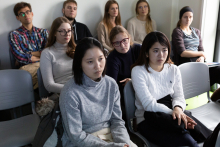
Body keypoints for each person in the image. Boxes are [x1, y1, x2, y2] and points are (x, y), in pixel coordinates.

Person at [131, 31, 212, 147]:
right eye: (155, 50)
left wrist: (178, 109)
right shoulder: (138, 71)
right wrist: (175, 113)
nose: (161, 55)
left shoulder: (173, 69)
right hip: (147, 118)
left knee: (203, 133)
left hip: (173, 112)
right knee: (188, 140)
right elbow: (148, 105)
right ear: (146, 53)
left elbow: (179, 96)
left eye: (164, 50)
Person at [59, 37, 137, 147]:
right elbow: (76, 136)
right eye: (90, 62)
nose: (98, 66)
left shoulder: (111, 84)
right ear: (79, 63)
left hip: (110, 133)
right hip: (84, 140)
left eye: (101, 59)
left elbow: (117, 121)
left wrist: (123, 143)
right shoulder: (70, 92)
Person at [172, 6, 220, 86]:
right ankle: (202, 85)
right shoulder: (177, 31)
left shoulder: (197, 31)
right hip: (186, 62)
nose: (188, 19)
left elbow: (201, 50)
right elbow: (182, 53)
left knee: (218, 70)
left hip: (198, 62)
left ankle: (206, 88)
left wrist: (201, 57)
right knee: (212, 74)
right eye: (185, 17)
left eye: (190, 17)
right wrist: (201, 54)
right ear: (181, 18)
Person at [8, 2, 49, 89]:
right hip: (28, 68)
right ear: (18, 17)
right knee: (48, 72)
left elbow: (50, 51)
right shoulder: (14, 34)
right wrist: (42, 56)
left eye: (27, 12)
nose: (26, 15)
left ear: (32, 13)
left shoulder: (43, 32)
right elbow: (20, 57)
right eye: (22, 14)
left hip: (45, 64)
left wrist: (29, 53)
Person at [40, 17, 76, 97]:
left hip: (80, 89)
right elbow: (49, 85)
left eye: (69, 30)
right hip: (62, 93)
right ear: (54, 33)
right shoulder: (47, 53)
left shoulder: (76, 49)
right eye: (62, 31)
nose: (67, 34)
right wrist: (73, 90)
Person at [106, 25, 141, 101]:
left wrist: (133, 81)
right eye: (117, 43)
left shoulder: (138, 49)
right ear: (113, 45)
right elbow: (112, 87)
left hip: (143, 87)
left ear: (129, 38)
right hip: (125, 95)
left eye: (124, 40)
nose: (122, 45)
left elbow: (149, 71)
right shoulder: (112, 59)